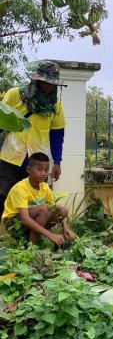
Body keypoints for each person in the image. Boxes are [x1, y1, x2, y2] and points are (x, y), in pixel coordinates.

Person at [0, 61, 67, 216]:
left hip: (37, 162)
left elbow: (57, 135)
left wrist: (57, 162)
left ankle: (28, 238)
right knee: (3, 196)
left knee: (36, 202)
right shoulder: (14, 94)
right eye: (45, 82)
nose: (48, 87)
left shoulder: (56, 106)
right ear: (36, 80)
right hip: (10, 157)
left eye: (52, 84)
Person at [1, 152, 76, 246]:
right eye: (39, 169)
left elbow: (55, 209)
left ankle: (32, 242)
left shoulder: (44, 187)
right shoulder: (20, 188)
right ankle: (31, 249)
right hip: (13, 224)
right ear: (29, 169)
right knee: (44, 209)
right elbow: (25, 219)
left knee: (62, 209)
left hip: (29, 219)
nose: (43, 173)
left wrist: (66, 228)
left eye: (46, 170)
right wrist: (50, 235)